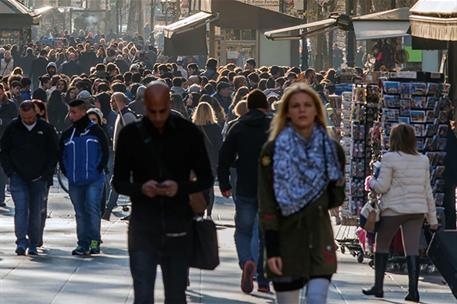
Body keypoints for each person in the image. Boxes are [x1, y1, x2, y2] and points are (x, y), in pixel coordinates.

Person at [112, 81, 213, 303]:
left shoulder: (189, 134)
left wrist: (181, 187)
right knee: (143, 293)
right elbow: (118, 181)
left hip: (178, 227)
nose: (157, 117)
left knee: (176, 295)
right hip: (143, 227)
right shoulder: (131, 135)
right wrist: (140, 188)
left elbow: (207, 178)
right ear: (144, 106)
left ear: (169, 103)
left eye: (162, 111)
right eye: (152, 111)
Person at [258, 83, 345, 304]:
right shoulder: (273, 151)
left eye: (307, 105)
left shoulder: (331, 149)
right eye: (295, 106)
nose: (302, 110)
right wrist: (273, 248)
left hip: (319, 236)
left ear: (317, 110)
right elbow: (267, 203)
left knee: (317, 300)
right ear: (287, 111)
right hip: (285, 239)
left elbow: (337, 197)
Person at [363, 124, 438, 302]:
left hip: (394, 209)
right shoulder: (423, 160)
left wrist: (371, 181)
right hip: (417, 210)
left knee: (381, 245)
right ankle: (413, 291)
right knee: (412, 249)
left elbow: (382, 186)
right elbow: (428, 191)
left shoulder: (389, 158)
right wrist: (432, 219)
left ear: (393, 139)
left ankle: (378, 287)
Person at [218, 89, 272, 293]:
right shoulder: (274, 127)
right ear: (265, 106)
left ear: (247, 106)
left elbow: (224, 157)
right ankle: (264, 279)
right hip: (269, 188)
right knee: (266, 233)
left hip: (246, 186)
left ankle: (246, 261)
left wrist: (225, 183)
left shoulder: (238, 127)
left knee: (243, 230)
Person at [0, 101, 58, 255]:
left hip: (39, 177)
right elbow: (4, 150)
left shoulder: (45, 128)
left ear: (36, 113)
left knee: (35, 211)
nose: (28, 120)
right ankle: (20, 241)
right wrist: (10, 171)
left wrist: (47, 173)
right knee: (20, 210)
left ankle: (33, 242)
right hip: (17, 175)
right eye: (24, 117)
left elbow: (54, 152)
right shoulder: (13, 127)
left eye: (31, 117)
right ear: (20, 114)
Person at [59, 99, 109, 256]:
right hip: (75, 180)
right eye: (70, 112)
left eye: (74, 112)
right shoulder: (68, 134)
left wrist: (98, 169)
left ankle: (94, 242)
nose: (71, 115)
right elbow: (61, 155)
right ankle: (82, 243)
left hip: (94, 179)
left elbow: (105, 152)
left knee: (92, 210)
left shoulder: (96, 131)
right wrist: (67, 172)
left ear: (83, 112)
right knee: (80, 212)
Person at [102, 92, 138, 221]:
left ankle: (108, 211)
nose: (111, 103)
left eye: (113, 100)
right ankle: (108, 211)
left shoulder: (127, 116)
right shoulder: (121, 115)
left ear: (120, 101)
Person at [192, 101, 222, 217]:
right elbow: (219, 146)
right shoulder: (215, 128)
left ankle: (199, 211)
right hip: (211, 161)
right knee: (209, 189)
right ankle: (209, 214)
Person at [0, 84, 18, 208]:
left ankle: (0, 198)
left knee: (1, 173)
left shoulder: (10, 105)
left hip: (4, 141)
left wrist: (2, 121)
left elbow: (15, 121)